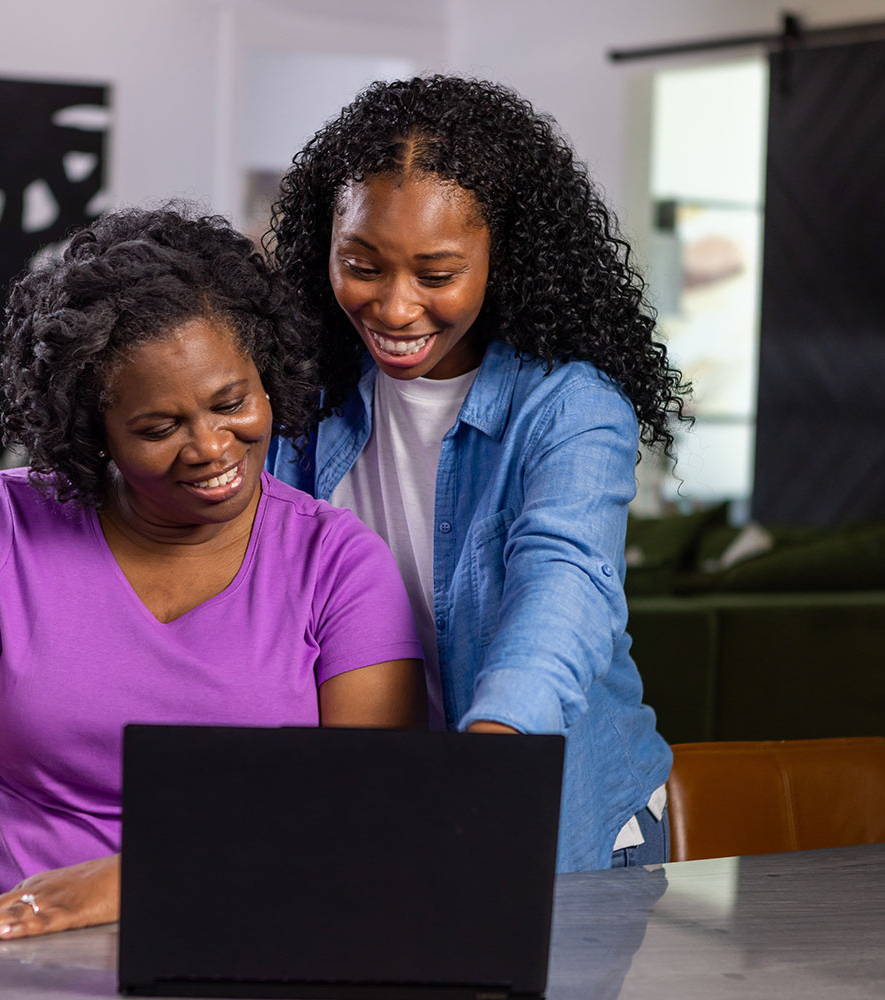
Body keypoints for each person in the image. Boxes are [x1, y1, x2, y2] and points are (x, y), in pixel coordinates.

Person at [0, 208, 424, 961]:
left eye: (232, 403)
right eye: (160, 428)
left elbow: (365, 817)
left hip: (243, 954)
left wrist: (126, 883)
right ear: (92, 430)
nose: (211, 448)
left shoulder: (339, 566)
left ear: (267, 375)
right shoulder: (1, 525)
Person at [266, 75, 689, 872]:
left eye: (436, 275)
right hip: (372, 802)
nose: (394, 308)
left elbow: (564, 594)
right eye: (362, 264)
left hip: (550, 810)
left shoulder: (570, 410)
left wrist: (489, 760)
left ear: (504, 257)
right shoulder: (304, 391)